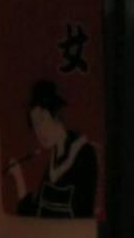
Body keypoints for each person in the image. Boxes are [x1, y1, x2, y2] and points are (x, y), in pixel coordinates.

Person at [6, 79, 99, 218]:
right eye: (35, 125)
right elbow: (35, 213)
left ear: (56, 114)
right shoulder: (54, 158)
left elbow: (83, 210)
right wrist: (18, 176)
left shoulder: (83, 153)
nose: (39, 131)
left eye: (42, 119)